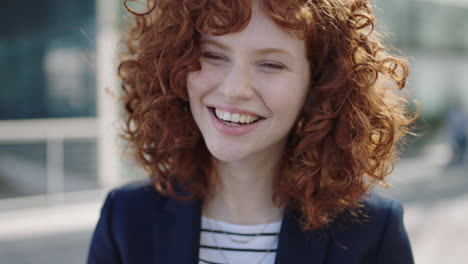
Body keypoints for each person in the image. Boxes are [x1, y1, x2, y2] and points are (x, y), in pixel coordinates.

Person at [88, 0, 417, 263]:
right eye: (213, 55)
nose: (234, 90)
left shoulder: (373, 231)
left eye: (271, 64)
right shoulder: (126, 219)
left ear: (321, 85)